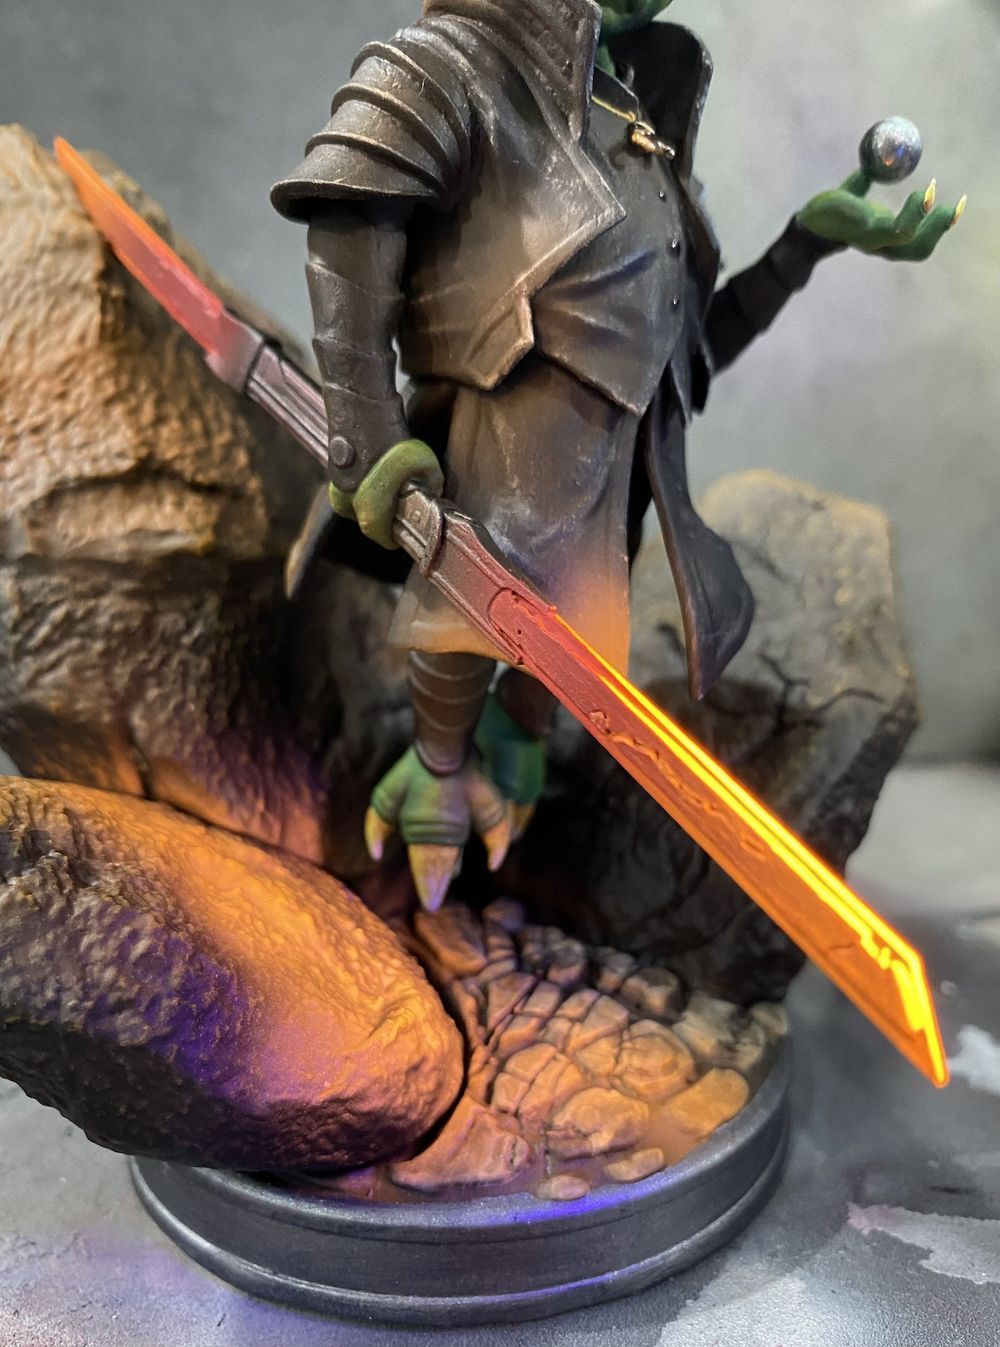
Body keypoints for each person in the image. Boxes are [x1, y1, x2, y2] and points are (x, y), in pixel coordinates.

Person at [272, 0, 963, 909]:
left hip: (617, 483)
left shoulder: (637, 110)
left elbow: (690, 355)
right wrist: (365, 438)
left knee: (569, 650)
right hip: (496, 451)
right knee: (467, 613)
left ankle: (515, 748)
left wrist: (803, 246)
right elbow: (352, 209)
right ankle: (437, 772)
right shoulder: (454, 62)